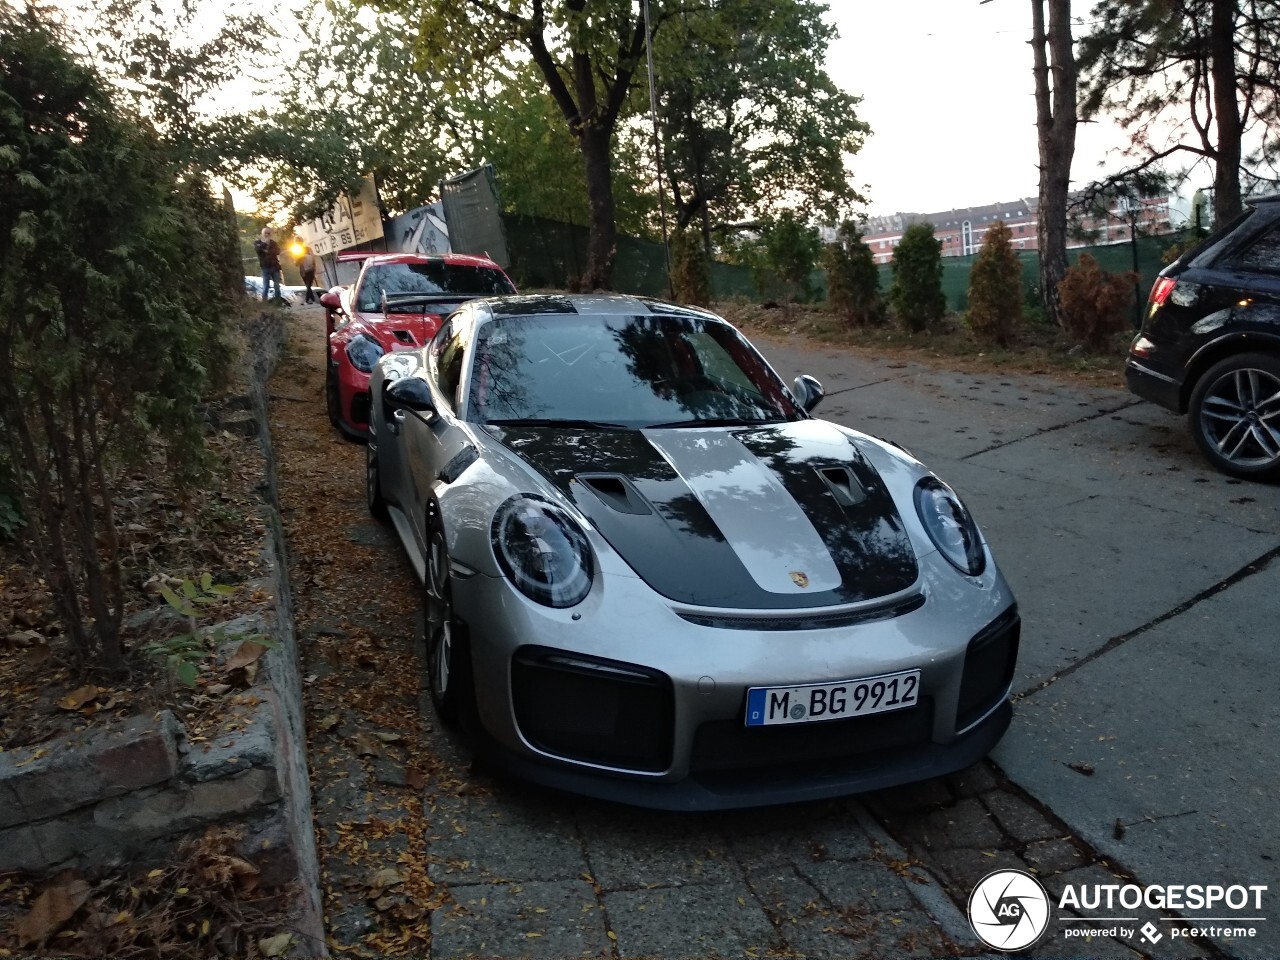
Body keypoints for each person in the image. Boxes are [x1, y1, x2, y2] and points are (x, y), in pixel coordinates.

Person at [253, 227, 283, 303]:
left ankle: (278, 302)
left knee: (277, 286)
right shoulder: (257, 242)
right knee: (266, 286)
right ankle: (264, 303)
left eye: (268, 233)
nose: (267, 235)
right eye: (265, 233)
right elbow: (258, 250)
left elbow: (278, 251)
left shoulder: (273, 243)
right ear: (262, 234)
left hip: (275, 267)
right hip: (265, 268)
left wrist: (266, 251)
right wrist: (265, 244)